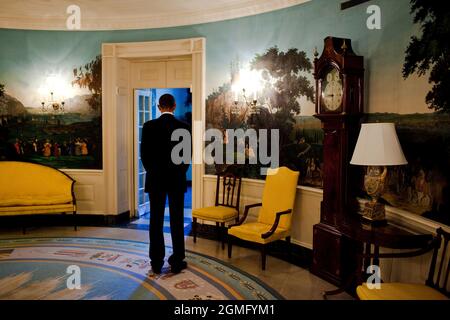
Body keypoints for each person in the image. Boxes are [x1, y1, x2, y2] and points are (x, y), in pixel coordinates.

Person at [140, 94, 191, 274]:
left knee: (156, 221)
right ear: (174, 106)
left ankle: (156, 261)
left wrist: (154, 173)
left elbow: (144, 156)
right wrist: (178, 174)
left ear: (159, 106)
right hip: (176, 179)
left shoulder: (148, 126)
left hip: (156, 180)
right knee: (177, 221)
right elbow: (186, 159)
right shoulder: (184, 127)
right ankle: (177, 260)